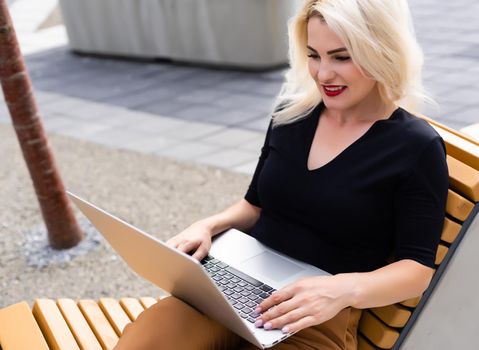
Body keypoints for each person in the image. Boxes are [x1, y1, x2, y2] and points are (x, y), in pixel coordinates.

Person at [114, 0, 448, 349]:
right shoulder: (291, 116)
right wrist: (209, 226)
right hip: (231, 287)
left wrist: (339, 290)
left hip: (315, 316)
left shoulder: (415, 147)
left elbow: (416, 269)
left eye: (341, 57)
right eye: (313, 55)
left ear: (381, 51)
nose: (322, 74)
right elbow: (254, 206)